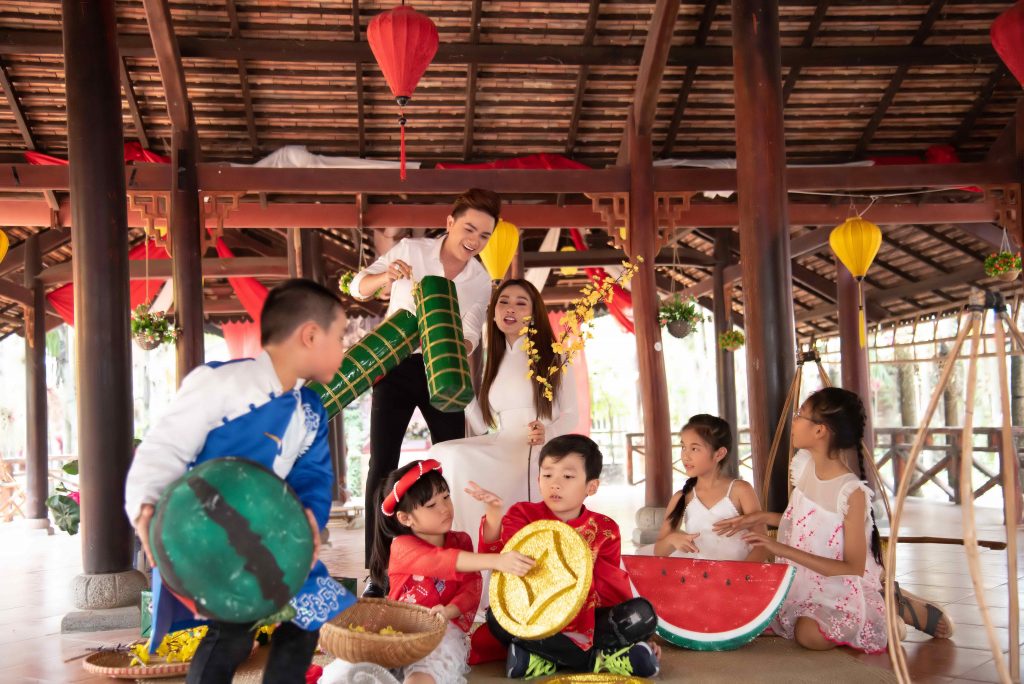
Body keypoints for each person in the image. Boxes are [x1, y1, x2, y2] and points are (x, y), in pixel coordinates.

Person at [124, 279, 355, 684]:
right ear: (310, 335)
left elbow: (313, 476)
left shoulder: (310, 410)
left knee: (307, 618)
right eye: (340, 337)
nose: (344, 347)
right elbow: (166, 447)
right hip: (212, 535)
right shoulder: (219, 383)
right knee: (231, 635)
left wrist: (309, 518)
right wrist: (146, 508)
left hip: (272, 537)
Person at [349, 188, 500, 596]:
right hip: (396, 366)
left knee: (450, 459)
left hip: (444, 370)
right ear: (450, 223)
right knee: (382, 464)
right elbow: (358, 286)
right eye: (469, 228)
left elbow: (471, 333)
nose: (475, 240)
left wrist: (448, 345)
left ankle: (446, 567)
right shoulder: (412, 249)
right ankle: (379, 572)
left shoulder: (479, 280)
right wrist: (386, 277)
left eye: (484, 235)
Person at [320, 459, 534, 684]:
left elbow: (470, 586)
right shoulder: (402, 546)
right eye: (431, 505)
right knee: (350, 673)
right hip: (397, 629)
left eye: (446, 497)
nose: (444, 508)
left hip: (441, 632)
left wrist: (493, 511)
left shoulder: (461, 540)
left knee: (423, 676)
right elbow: (442, 560)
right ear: (405, 518)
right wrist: (498, 561)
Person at [468, 435, 660, 679]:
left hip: (586, 618)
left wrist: (639, 635)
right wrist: (493, 515)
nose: (555, 484)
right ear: (538, 479)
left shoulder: (605, 528)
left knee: (642, 614)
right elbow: (498, 555)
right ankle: (598, 660)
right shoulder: (523, 514)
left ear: (591, 486)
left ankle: (543, 657)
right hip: (535, 614)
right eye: (548, 475)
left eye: (567, 477)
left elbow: (611, 587)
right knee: (498, 618)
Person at [715, 387, 888, 653]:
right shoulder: (805, 465)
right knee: (741, 607)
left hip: (837, 591)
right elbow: (806, 523)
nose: (793, 422)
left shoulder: (851, 492)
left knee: (808, 635)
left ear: (820, 430)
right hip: (799, 583)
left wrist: (779, 548)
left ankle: (892, 612)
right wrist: (758, 517)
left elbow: (853, 567)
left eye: (799, 415)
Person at [429, 279, 578, 534]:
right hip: (502, 442)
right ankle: (469, 541)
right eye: (504, 302)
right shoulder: (494, 362)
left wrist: (548, 432)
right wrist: (462, 389)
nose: (510, 308)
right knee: (444, 452)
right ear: (494, 313)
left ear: (534, 315)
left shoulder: (557, 358)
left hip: (536, 448)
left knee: (456, 456)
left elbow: (572, 415)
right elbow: (482, 427)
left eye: (521, 304)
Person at [652, 414, 766, 562]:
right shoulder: (682, 497)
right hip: (696, 574)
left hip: (739, 573)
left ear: (719, 454)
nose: (685, 456)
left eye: (694, 449)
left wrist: (740, 574)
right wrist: (672, 539)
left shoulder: (740, 491)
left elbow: (762, 546)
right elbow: (659, 551)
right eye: (683, 447)